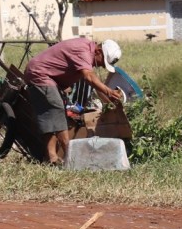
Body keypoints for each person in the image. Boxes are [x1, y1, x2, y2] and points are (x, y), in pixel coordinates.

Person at [24, 37, 123, 166]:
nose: (100, 66)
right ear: (98, 51)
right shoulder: (83, 50)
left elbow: (94, 84)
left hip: (49, 78)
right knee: (57, 109)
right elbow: (89, 77)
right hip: (40, 74)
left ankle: (51, 158)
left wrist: (108, 99)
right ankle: (71, 157)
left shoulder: (87, 49)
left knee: (52, 116)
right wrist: (109, 91)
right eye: (102, 62)